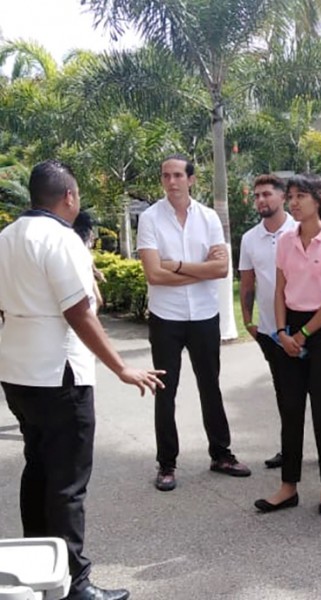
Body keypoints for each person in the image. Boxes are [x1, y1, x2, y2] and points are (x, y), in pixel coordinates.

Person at [0, 160, 164, 600]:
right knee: (68, 483)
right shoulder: (62, 239)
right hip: (59, 375)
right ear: (69, 197)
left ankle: (37, 566)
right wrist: (122, 367)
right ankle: (76, 584)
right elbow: (78, 311)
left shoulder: (7, 237)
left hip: (17, 372)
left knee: (38, 468)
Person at [137, 154, 251, 492]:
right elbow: (153, 275)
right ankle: (167, 464)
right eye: (165, 175)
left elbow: (221, 270)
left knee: (210, 386)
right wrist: (196, 270)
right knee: (165, 391)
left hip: (203, 315)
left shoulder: (209, 218)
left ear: (191, 179)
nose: (171, 181)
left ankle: (221, 454)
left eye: (177, 175)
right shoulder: (149, 218)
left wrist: (176, 266)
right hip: (166, 317)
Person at [254, 173, 321, 516]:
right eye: (291, 196)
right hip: (289, 329)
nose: (293, 202)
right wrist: (281, 331)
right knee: (291, 411)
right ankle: (288, 486)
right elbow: (278, 290)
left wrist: (303, 334)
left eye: (300, 196)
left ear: (319, 199)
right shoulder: (285, 240)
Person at [238, 174, 295, 471]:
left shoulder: (301, 230)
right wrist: (249, 323)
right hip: (271, 332)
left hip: (305, 328)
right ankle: (289, 450)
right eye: (257, 195)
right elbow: (247, 283)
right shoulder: (250, 238)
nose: (261, 200)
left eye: (267, 194)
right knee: (284, 393)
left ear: (283, 197)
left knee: (318, 399)